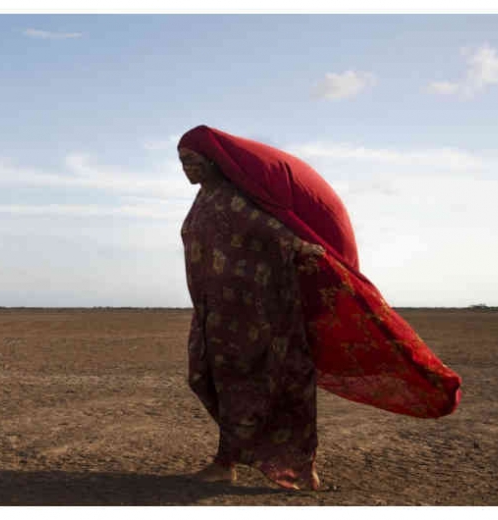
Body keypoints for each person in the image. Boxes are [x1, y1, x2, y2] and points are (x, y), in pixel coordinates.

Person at [177, 125, 462, 491]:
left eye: (192, 160)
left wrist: (304, 248)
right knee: (208, 379)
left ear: (213, 160)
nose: (186, 169)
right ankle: (230, 459)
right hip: (214, 315)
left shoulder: (233, 199)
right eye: (182, 162)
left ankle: (284, 466)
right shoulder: (203, 201)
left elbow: (271, 231)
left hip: (255, 316)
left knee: (266, 386)